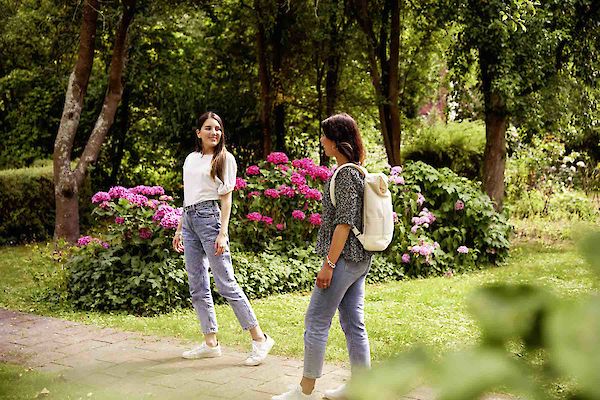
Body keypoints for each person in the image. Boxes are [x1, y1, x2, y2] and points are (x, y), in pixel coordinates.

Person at [273, 113, 373, 400]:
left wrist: (328, 264)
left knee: (316, 319)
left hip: (344, 259)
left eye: (324, 136)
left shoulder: (345, 174)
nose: (321, 140)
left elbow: (344, 223)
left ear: (335, 141)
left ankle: (305, 390)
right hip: (359, 259)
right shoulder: (357, 171)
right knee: (354, 322)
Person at [173, 111, 274, 366]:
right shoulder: (191, 159)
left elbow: (226, 198)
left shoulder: (225, 159)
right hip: (190, 221)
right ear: (198, 132)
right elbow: (188, 197)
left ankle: (260, 339)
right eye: (208, 128)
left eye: (217, 129)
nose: (214, 133)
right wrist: (179, 228)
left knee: (225, 283)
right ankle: (210, 342)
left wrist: (222, 232)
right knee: (197, 285)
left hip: (210, 219)